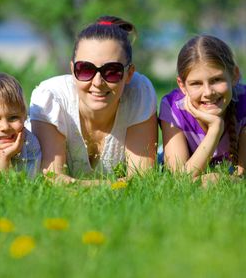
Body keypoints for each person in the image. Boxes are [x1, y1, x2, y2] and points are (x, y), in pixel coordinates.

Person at [28, 16, 158, 185]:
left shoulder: (139, 93)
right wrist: (115, 185)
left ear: (129, 74)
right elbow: (52, 180)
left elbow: (143, 180)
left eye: (112, 71)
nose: (97, 82)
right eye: (85, 69)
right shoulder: (51, 98)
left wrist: (76, 185)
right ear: (72, 70)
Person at [159, 34, 246, 186]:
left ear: (234, 75)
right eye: (196, 83)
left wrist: (219, 179)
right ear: (182, 85)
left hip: (226, 164)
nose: (208, 92)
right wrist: (215, 130)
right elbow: (180, 180)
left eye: (216, 80)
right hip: (172, 157)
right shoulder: (172, 107)